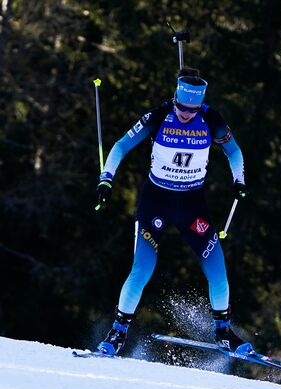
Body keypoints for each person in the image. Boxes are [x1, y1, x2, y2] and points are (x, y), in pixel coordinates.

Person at [95, 67, 251, 356]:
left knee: (217, 268)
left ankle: (223, 332)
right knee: (142, 269)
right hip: (156, 201)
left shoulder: (211, 119)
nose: (185, 114)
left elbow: (235, 151)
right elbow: (119, 146)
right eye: (181, 107)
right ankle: (117, 333)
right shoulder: (158, 116)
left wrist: (238, 180)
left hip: (191, 205)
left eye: (192, 110)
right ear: (175, 99)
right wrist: (106, 179)